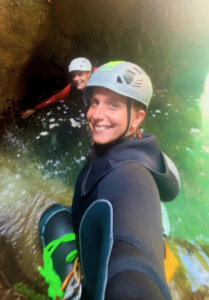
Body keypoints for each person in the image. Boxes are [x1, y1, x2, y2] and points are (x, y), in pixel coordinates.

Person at [70, 61, 180, 300]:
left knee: (51, 219)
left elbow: (134, 270)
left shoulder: (131, 178)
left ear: (137, 118)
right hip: (95, 245)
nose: (96, 115)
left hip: (95, 286)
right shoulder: (118, 147)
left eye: (113, 105)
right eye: (95, 102)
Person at [22, 58, 96, 119]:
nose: (76, 79)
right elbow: (56, 98)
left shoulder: (99, 82)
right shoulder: (71, 88)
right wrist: (35, 109)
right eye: (73, 75)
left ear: (89, 73)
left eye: (80, 74)